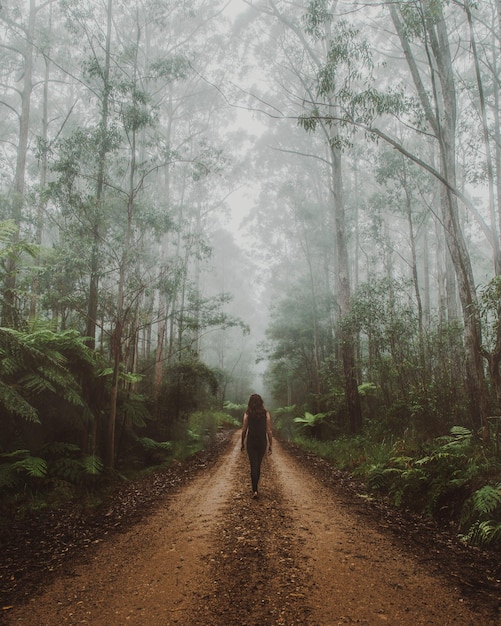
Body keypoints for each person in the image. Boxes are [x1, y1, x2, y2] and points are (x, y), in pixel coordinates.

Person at [240, 393, 273, 499]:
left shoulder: (247, 414)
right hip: (262, 442)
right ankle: (255, 489)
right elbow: (269, 431)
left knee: (253, 465)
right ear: (261, 402)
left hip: (251, 442)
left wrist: (242, 442)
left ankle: (255, 490)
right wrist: (270, 444)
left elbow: (244, 429)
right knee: (258, 464)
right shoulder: (266, 413)